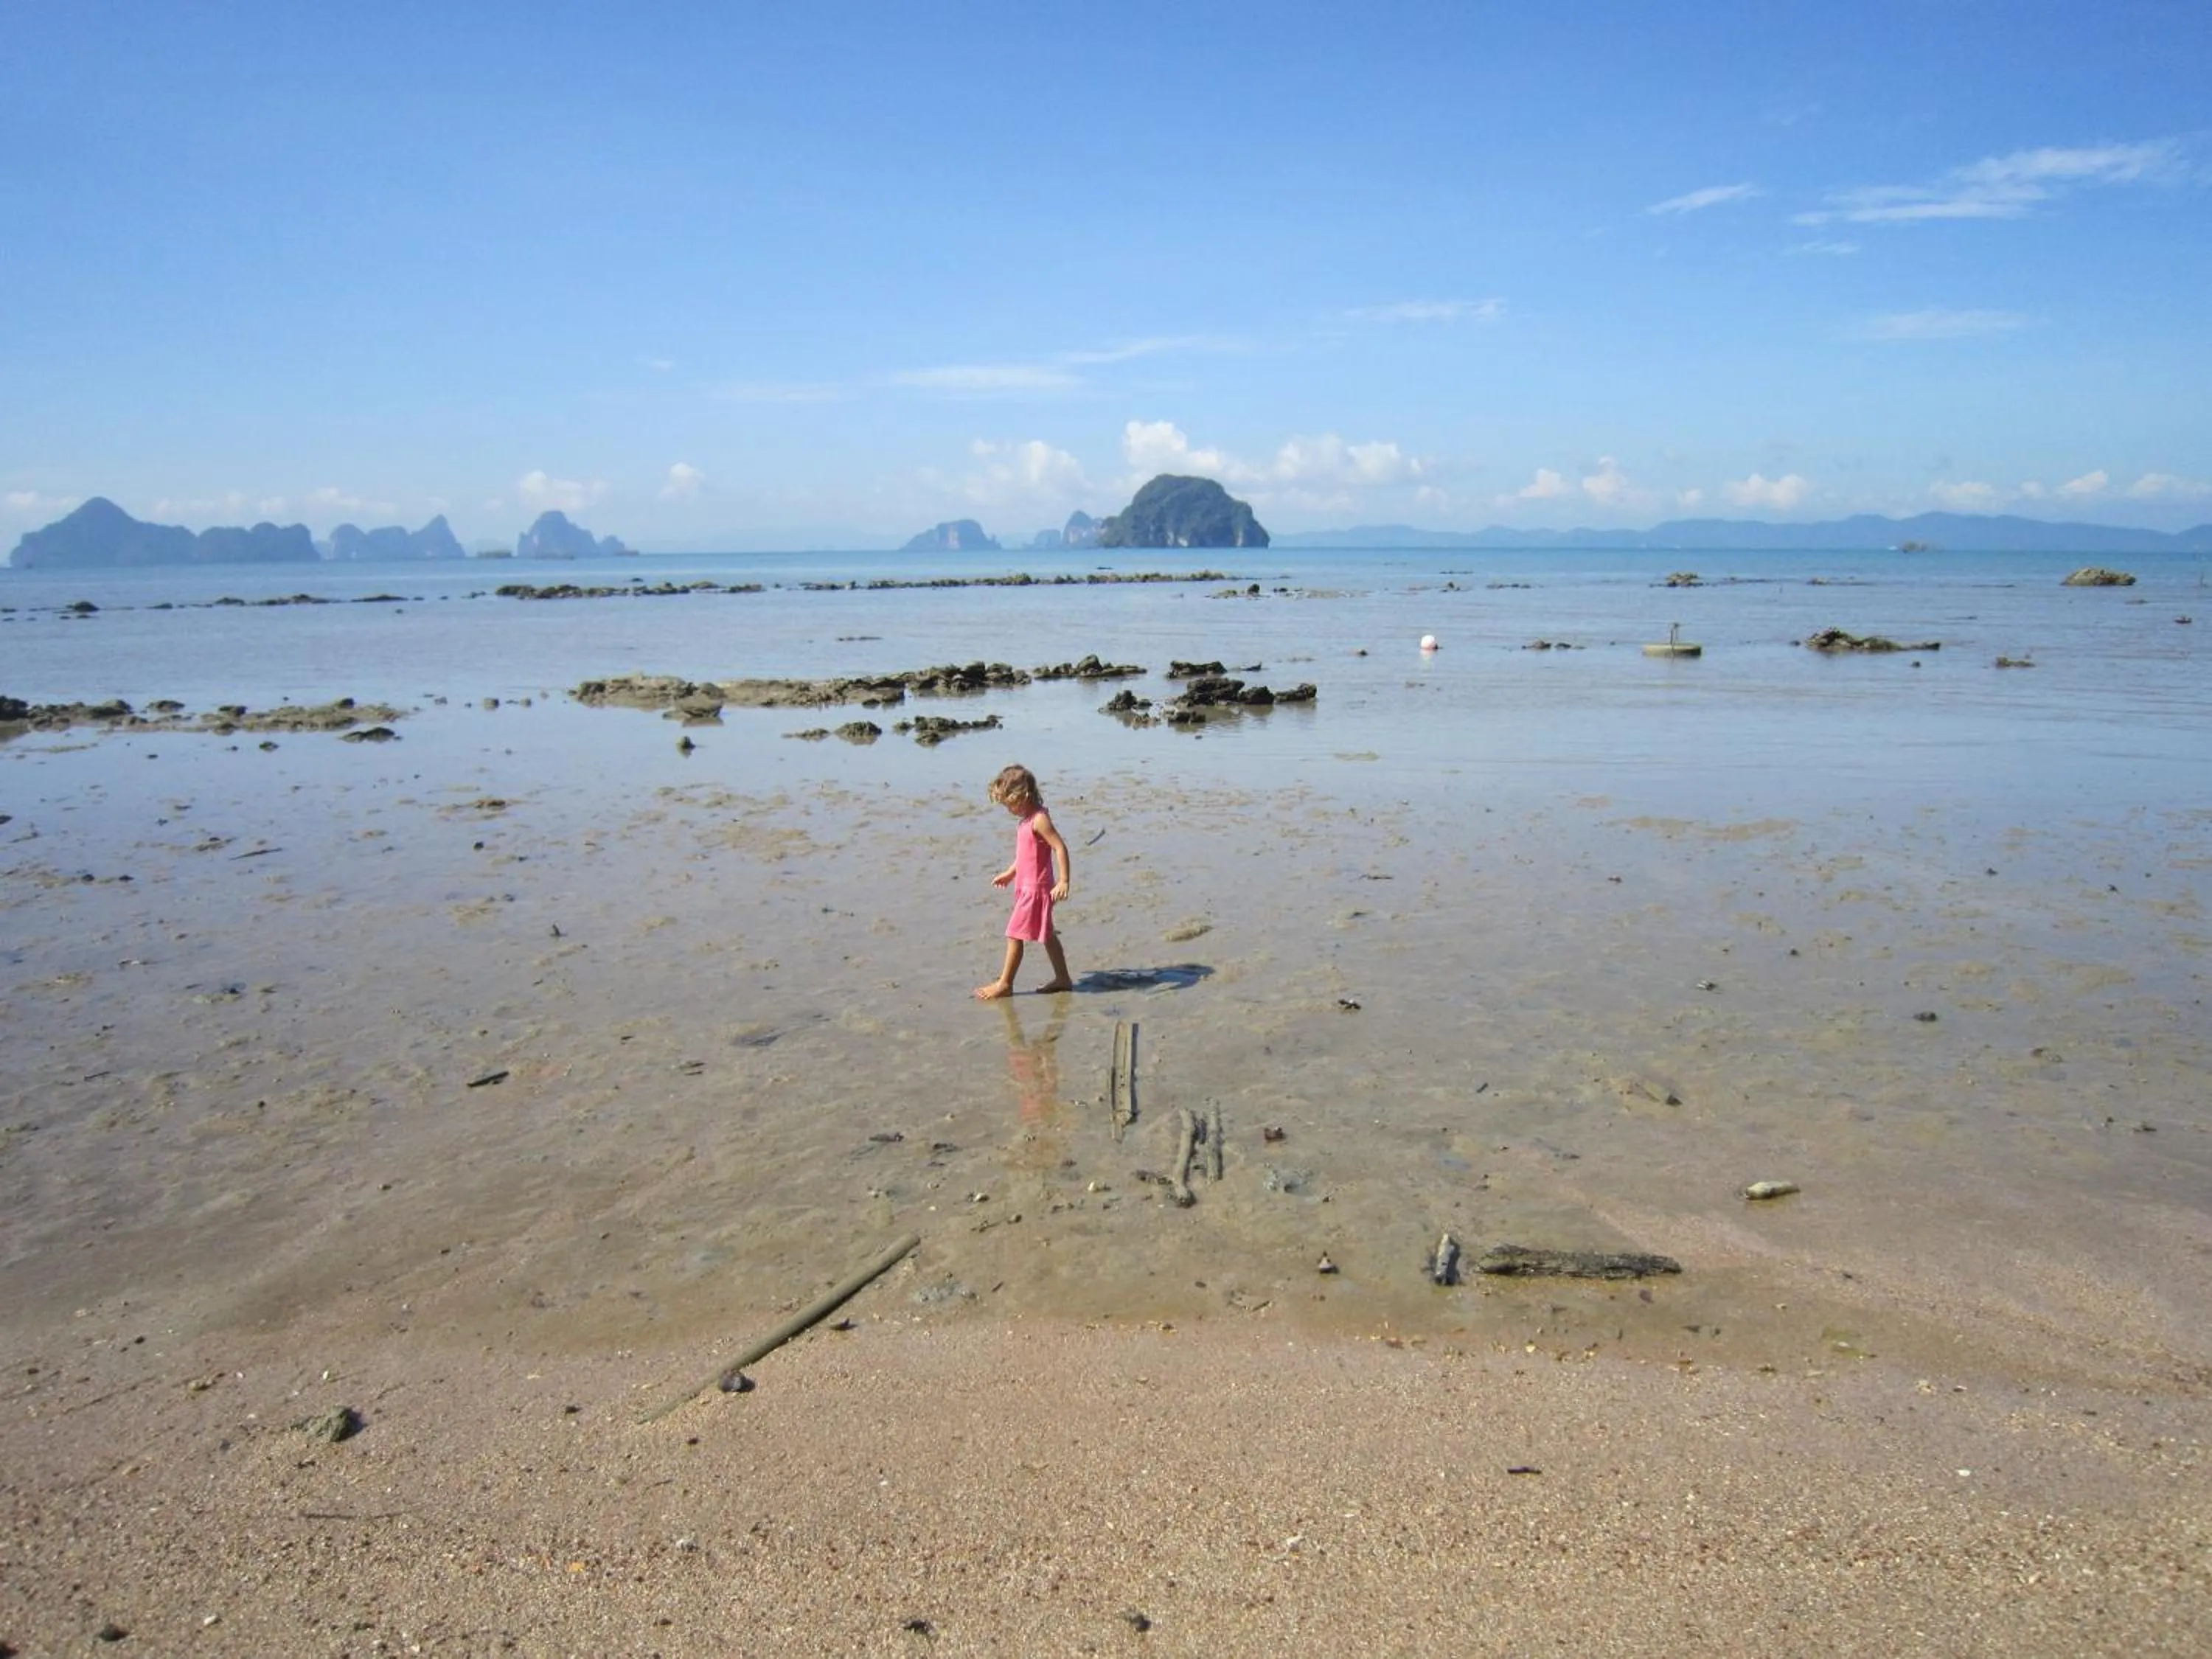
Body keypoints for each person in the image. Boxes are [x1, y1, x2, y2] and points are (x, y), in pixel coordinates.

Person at [973, 763, 1073, 1000]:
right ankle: (1063, 978)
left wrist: (1064, 881)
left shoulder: (1039, 820)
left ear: (1024, 796)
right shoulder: (1026, 820)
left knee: (1014, 934)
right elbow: (1025, 855)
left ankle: (1005, 984)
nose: (1008, 809)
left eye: (1010, 803)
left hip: (1036, 890)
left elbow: (1059, 847)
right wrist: (1010, 872)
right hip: (1025, 886)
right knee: (1047, 933)